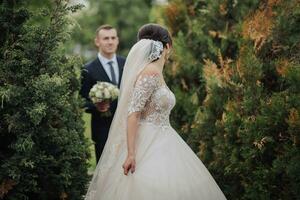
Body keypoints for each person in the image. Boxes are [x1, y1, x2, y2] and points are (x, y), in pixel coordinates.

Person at [85, 23, 227, 200]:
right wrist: (131, 153)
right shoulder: (150, 73)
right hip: (147, 142)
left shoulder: (155, 72)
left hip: (164, 138)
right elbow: (133, 113)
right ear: (167, 47)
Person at [80, 24, 126, 163]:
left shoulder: (127, 63)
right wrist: (97, 106)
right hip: (102, 129)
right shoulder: (88, 69)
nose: (110, 41)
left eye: (113, 38)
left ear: (117, 40)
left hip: (126, 127)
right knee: (105, 168)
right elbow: (82, 100)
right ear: (97, 41)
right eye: (106, 38)